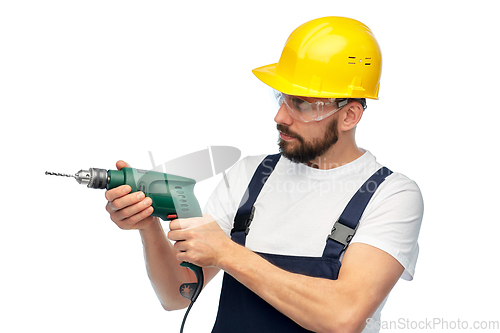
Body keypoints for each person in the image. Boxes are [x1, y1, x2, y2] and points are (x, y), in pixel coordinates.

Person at [104, 17, 423, 333]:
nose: (281, 116)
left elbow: (343, 317)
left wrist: (228, 253)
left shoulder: (391, 195)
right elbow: (178, 294)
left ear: (349, 115)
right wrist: (147, 225)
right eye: (281, 97)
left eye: (301, 103)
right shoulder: (249, 175)